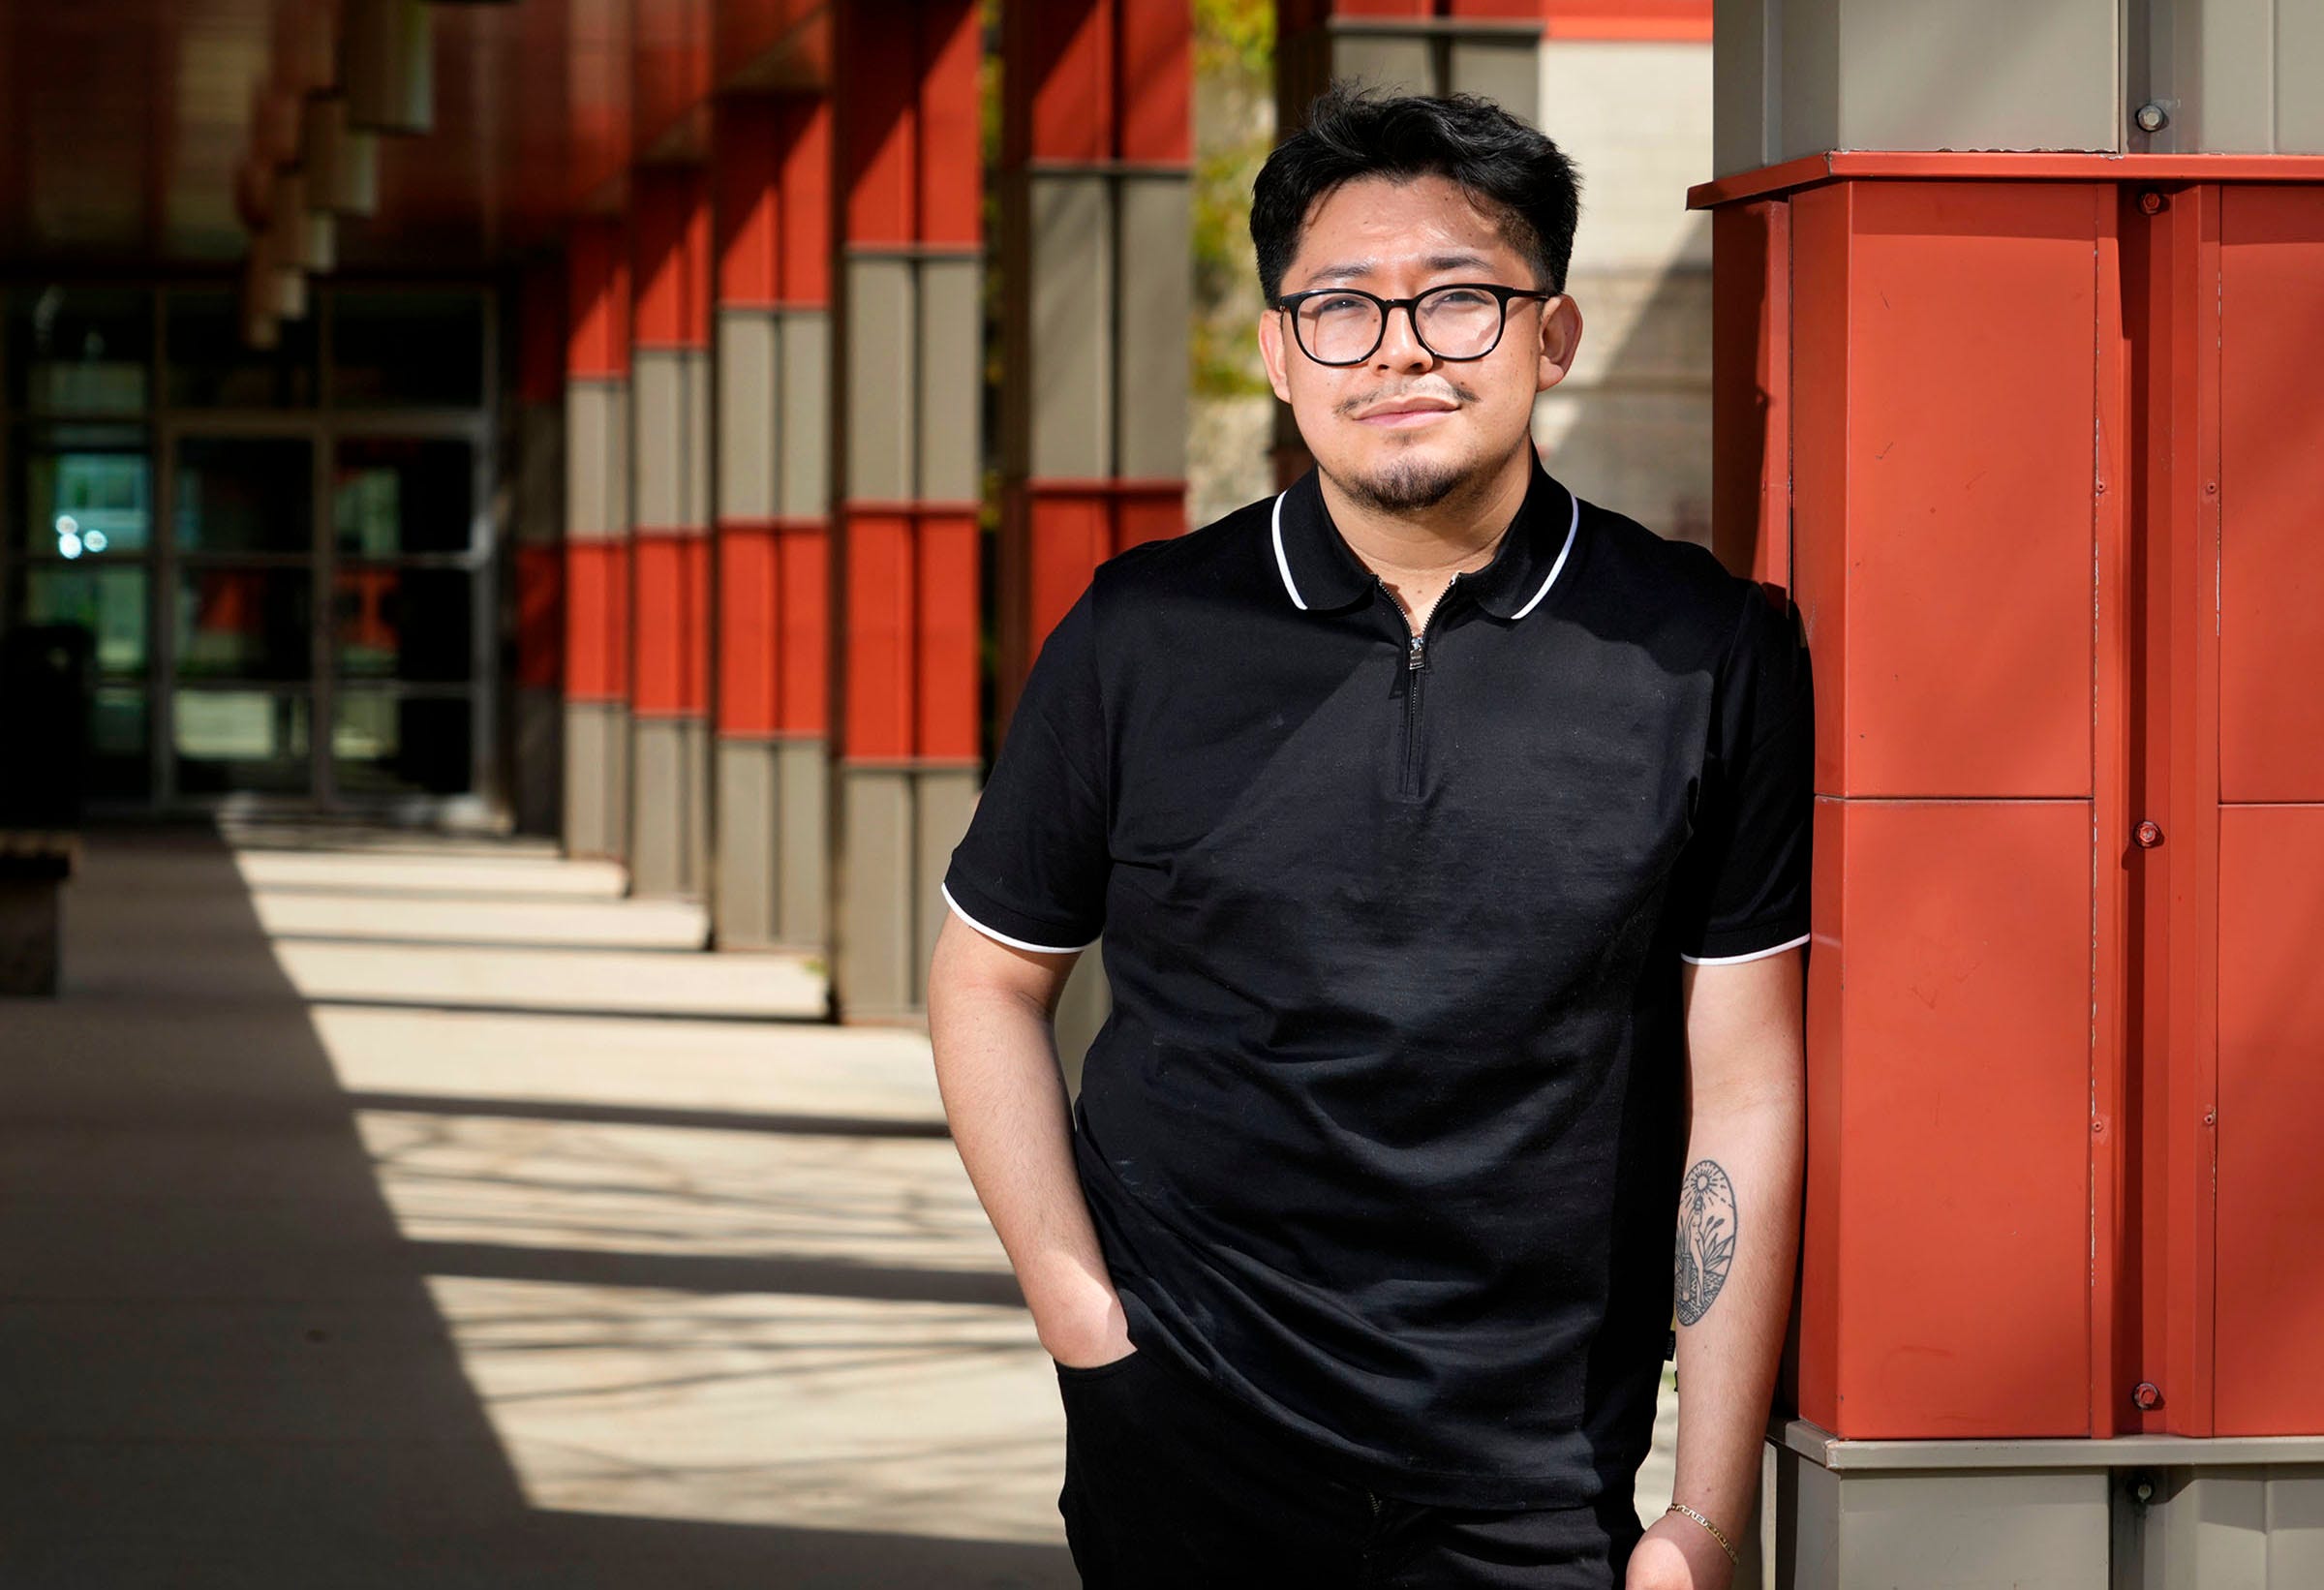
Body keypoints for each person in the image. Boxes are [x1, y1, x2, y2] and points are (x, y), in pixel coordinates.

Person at [928, 83, 1809, 1590]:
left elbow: (1744, 1078)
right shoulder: (1144, 632)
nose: (1399, 347)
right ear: (1279, 355)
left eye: (1460, 298)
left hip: (1533, 1467)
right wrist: (1085, 1320)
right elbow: (986, 978)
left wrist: (1704, 1514)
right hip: (1184, 1438)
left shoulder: (1705, 649)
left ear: (1553, 335)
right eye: (1339, 306)